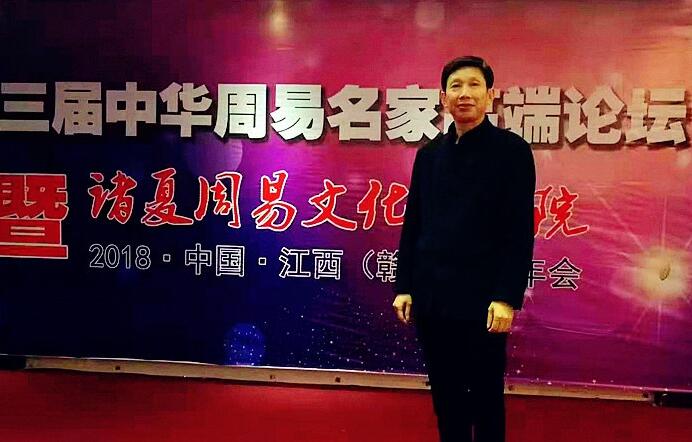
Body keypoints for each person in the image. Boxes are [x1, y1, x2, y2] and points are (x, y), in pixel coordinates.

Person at [392, 56, 535, 442]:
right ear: (443, 97)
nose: (464, 93)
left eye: (474, 85)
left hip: (484, 300)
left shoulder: (511, 151)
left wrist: (506, 297)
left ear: (490, 95)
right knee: (445, 393)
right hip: (432, 296)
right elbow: (414, 223)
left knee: (485, 394)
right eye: (456, 86)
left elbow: (519, 230)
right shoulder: (429, 155)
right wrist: (404, 286)